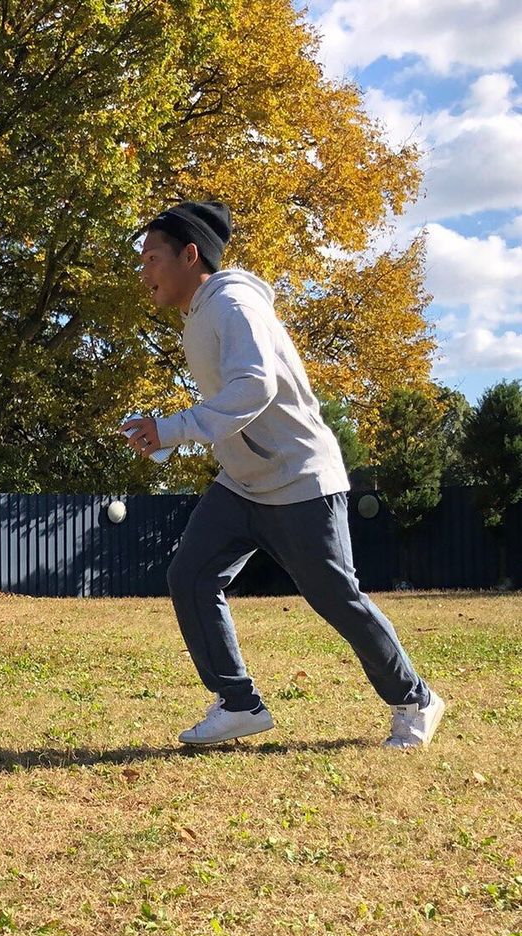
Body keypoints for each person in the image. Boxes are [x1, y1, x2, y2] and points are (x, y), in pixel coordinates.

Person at [122, 200, 444, 749]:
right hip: (243, 483)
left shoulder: (233, 304)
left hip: (299, 481)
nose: (143, 272)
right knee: (191, 576)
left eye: (152, 258)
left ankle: (415, 699)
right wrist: (165, 433)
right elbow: (236, 403)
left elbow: (255, 388)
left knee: (336, 598)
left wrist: (173, 429)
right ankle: (239, 703)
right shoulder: (202, 313)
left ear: (190, 255)